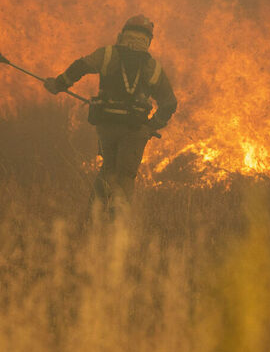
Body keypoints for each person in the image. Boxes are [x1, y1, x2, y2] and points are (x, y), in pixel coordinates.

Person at [44, 15, 177, 212]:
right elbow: (169, 103)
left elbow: (81, 66)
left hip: (107, 127)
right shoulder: (152, 67)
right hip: (135, 131)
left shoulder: (108, 54)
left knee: (108, 170)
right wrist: (152, 125)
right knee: (125, 176)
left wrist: (59, 84)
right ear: (148, 40)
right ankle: (117, 227)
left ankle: (94, 218)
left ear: (123, 34)